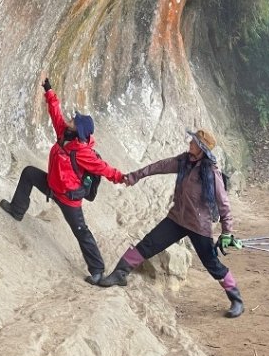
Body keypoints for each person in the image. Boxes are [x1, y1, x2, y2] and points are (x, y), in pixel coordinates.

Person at [97, 127, 245, 317]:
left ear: (201, 148)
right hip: (177, 219)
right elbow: (159, 166)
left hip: (199, 225)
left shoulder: (211, 172)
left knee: (212, 264)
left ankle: (236, 300)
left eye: (193, 142)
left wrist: (226, 232)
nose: (189, 143)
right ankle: (119, 273)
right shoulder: (184, 162)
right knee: (149, 243)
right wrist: (134, 176)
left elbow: (223, 203)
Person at [0, 76, 126, 285]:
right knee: (29, 173)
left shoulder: (84, 152)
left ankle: (97, 270)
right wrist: (49, 91)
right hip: (52, 186)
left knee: (81, 231)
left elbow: (105, 170)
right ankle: (17, 209)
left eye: (74, 120)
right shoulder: (65, 134)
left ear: (79, 130)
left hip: (68, 198)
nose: (70, 119)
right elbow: (55, 113)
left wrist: (123, 178)